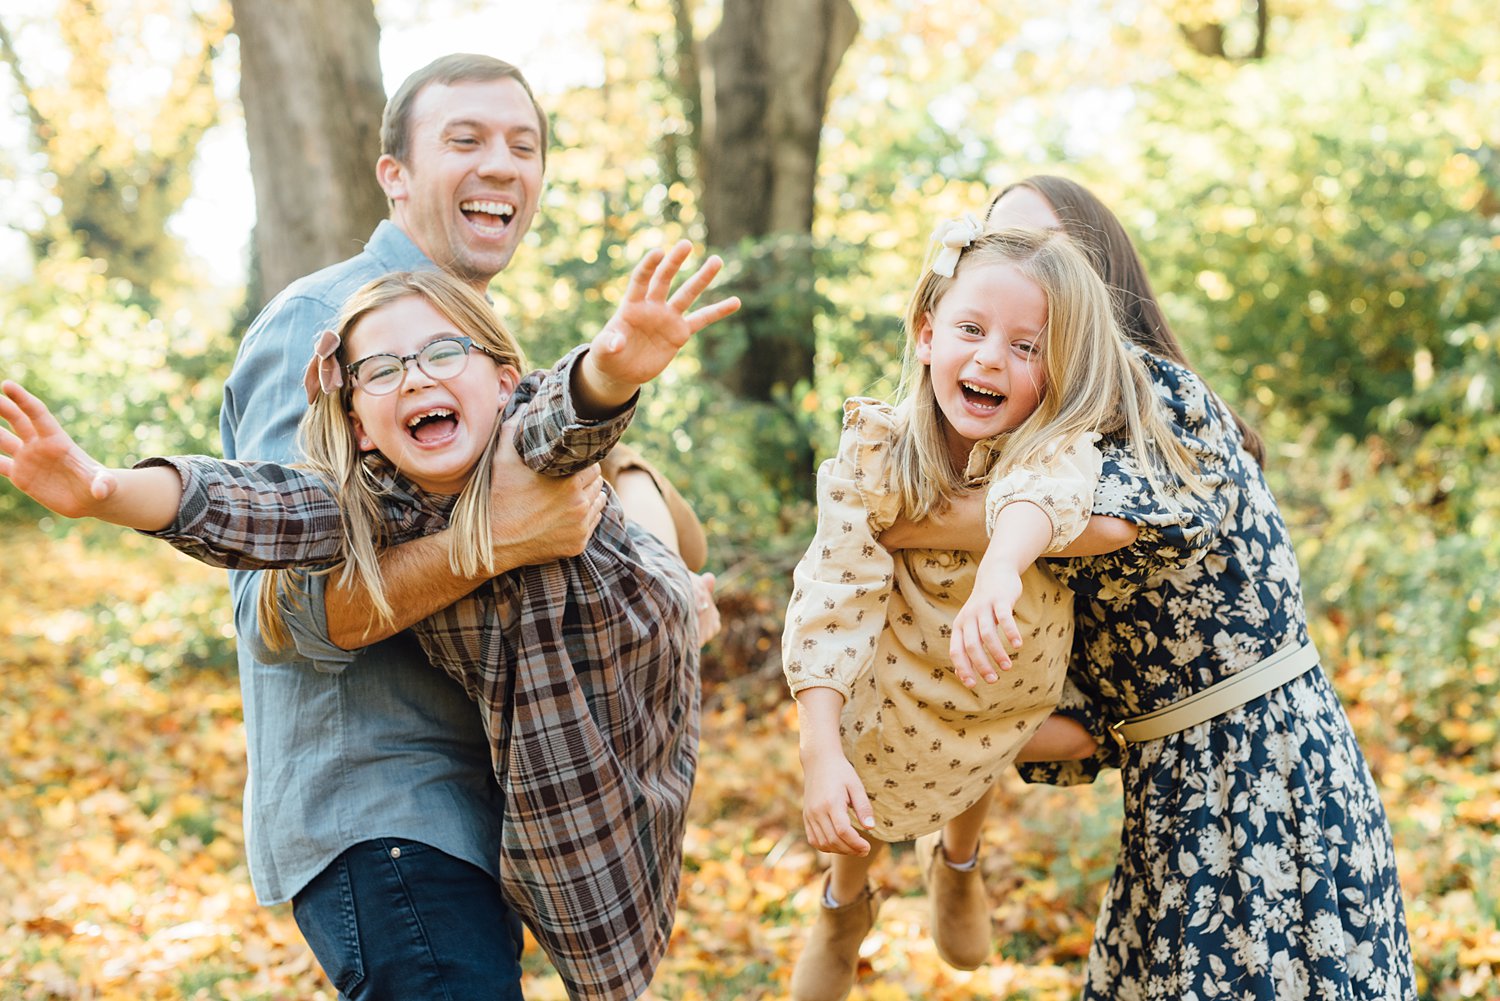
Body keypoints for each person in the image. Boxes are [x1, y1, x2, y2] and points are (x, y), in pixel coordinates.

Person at [0, 245, 739, 999]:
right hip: (571, 734)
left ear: (503, 380)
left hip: (648, 662)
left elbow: (572, 413)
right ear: (357, 423)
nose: (416, 375)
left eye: (443, 351)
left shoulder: (525, 437)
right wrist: (101, 488)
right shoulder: (370, 503)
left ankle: (672, 560)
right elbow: (245, 502)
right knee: (590, 912)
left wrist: (614, 366)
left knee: (651, 536)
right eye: (383, 369)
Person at [206, 53, 723, 1000]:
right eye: (466, 140)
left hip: (485, 821)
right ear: (394, 175)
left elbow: (624, 513)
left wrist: (628, 491)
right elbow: (284, 613)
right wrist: (498, 538)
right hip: (386, 814)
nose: (502, 163)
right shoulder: (329, 324)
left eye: (523, 145)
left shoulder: (474, 347)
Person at [881, 175, 1416, 1000]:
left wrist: (899, 519)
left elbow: (1118, 521)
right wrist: (913, 738)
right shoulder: (1030, 450)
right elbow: (1078, 721)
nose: (1023, 270)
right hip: (1169, 801)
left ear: (1101, 278)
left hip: (1267, 777)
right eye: (999, 249)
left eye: (1048, 253)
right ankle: (948, 862)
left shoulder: (1153, 391)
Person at [781, 221, 1204, 1001]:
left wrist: (1002, 567)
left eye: (1025, 346)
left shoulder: (1051, 443)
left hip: (1008, 684)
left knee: (1001, 711)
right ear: (926, 334)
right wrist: (817, 747)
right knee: (857, 762)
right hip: (901, 684)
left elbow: (1044, 495)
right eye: (971, 330)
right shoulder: (874, 452)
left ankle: (958, 861)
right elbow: (831, 589)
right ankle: (845, 902)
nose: (989, 358)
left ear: (1057, 370)